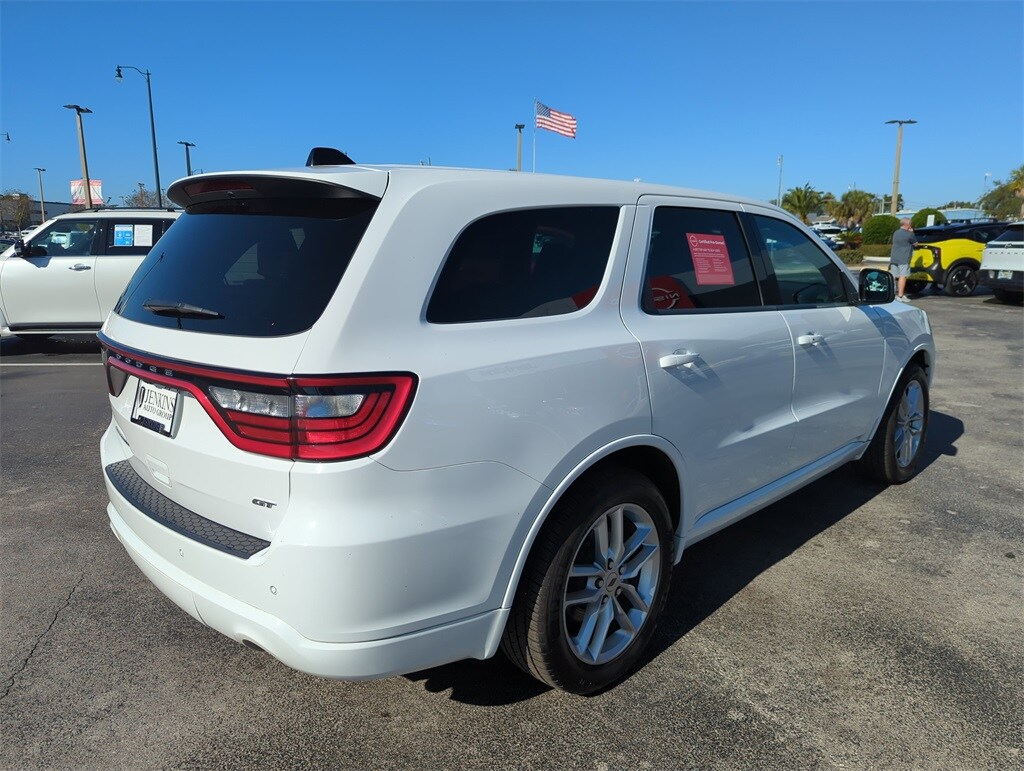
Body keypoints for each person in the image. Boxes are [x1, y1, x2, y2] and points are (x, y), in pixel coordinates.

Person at [890, 218, 918, 301]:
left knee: (894, 276)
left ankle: (892, 294)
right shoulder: (909, 234)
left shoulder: (896, 232)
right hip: (904, 258)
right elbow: (916, 244)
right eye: (910, 224)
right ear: (908, 224)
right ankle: (900, 296)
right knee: (903, 276)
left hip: (894, 257)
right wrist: (912, 232)